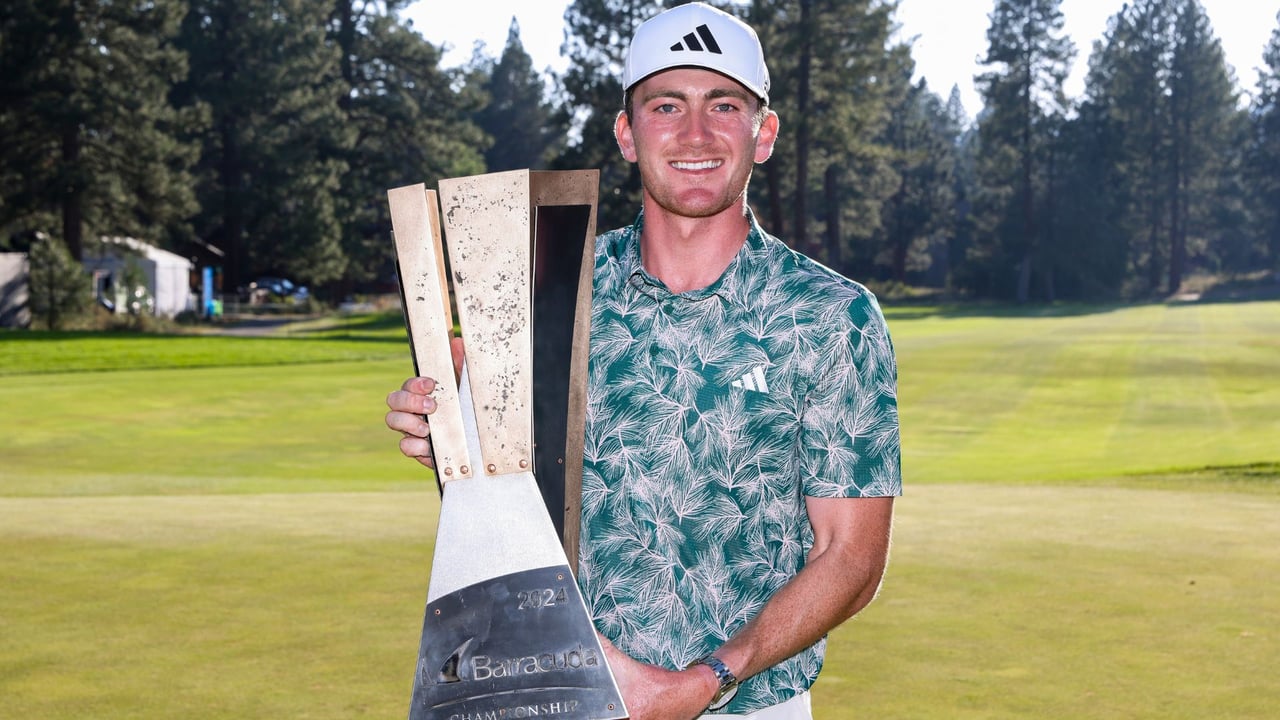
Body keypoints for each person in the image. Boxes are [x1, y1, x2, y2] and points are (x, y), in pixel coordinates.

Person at [385, 4, 901, 719]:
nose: (696, 133)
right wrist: (451, 438)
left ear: (764, 134)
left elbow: (850, 557)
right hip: (558, 699)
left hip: (747, 708)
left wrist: (706, 679)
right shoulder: (545, 297)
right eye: (666, 106)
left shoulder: (831, 317)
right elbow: (515, 496)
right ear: (627, 134)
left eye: (724, 105)